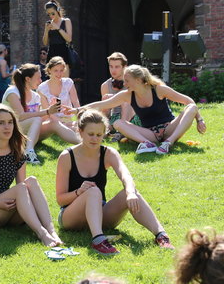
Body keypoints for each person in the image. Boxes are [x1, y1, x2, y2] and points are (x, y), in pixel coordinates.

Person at [55, 109, 174, 256]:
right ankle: (98, 241)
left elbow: (126, 175)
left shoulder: (108, 153)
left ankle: (161, 235)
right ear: (80, 132)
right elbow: (60, 199)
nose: (95, 139)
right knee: (93, 190)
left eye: (99, 135)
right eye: (90, 134)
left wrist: (130, 193)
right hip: (71, 217)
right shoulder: (67, 156)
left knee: (129, 192)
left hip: (100, 214)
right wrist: (79, 192)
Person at [0, 104, 62, 247]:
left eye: (10, 122)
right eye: (1, 123)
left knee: (31, 181)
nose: (7, 127)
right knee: (21, 189)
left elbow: (23, 186)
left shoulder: (17, 151)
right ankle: (42, 233)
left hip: (7, 206)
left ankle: (51, 231)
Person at [64, 64, 206, 155]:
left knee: (192, 107)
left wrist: (199, 119)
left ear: (138, 80)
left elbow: (188, 100)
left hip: (170, 128)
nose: (124, 83)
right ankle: (147, 144)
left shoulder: (159, 89)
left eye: (127, 81)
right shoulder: (127, 95)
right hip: (150, 133)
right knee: (118, 123)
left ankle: (168, 143)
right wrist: (77, 110)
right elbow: (103, 104)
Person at [2, 63, 80, 165]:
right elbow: (20, 116)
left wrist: (51, 110)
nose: (41, 81)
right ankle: (28, 152)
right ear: (28, 79)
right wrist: (47, 111)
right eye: (38, 78)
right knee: (36, 119)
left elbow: (39, 119)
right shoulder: (13, 92)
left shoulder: (35, 96)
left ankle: (84, 143)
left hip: (28, 133)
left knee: (53, 123)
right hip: (13, 131)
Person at [100, 52, 141, 141]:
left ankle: (121, 132)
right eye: (111, 66)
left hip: (133, 117)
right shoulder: (105, 85)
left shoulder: (132, 82)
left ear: (124, 67)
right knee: (105, 98)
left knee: (125, 100)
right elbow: (105, 112)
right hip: (114, 119)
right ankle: (104, 130)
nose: (113, 70)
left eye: (117, 67)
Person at [37, 56, 80, 127]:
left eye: (61, 70)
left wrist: (80, 116)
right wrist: (61, 122)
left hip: (69, 118)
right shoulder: (42, 88)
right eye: (56, 70)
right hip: (51, 119)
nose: (59, 74)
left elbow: (75, 102)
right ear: (49, 70)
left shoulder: (68, 82)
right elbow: (47, 112)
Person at [42, 0, 72, 78]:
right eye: (48, 14)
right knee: (52, 81)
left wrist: (57, 28)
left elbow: (69, 39)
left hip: (63, 52)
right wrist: (46, 30)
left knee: (65, 82)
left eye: (53, 13)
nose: (51, 16)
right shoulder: (48, 24)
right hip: (52, 52)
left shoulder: (66, 21)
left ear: (57, 10)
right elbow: (45, 43)